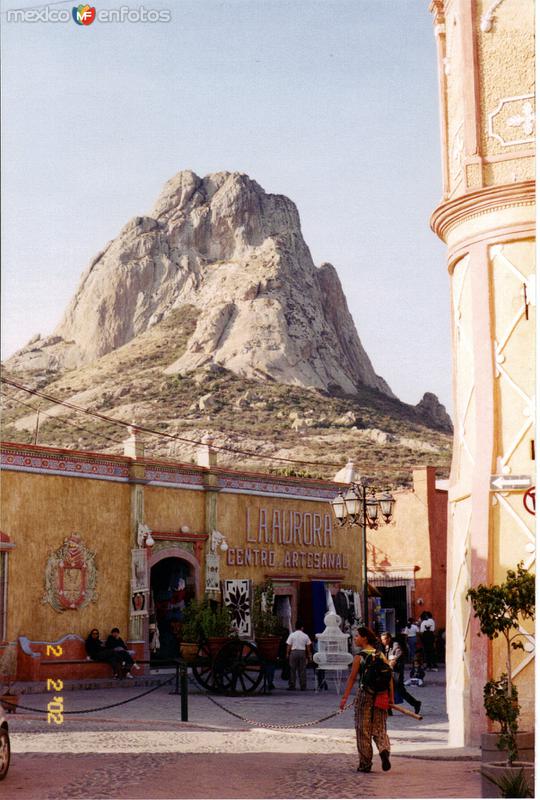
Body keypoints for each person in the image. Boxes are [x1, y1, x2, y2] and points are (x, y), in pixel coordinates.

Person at [339, 626, 393, 773]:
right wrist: (391, 699)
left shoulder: (359, 657)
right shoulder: (380, 655)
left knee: (363, 729)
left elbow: (351, 679)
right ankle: (383, 750)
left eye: (357, 636)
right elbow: (389, 678)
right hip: (381, 695)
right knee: (380, 727)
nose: (355, 638)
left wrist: (344, 699)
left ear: (365, 638)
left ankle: (365, 763)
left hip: (365, 695)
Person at [381, 632, 421, 715]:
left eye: (384, 639)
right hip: (389, 671)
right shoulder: (385, 647)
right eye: (382, 640)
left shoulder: (396, 645)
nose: (383, 641)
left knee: (400, 690)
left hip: (397, 672)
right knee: (388, 689)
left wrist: (392, 660)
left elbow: (397, 656)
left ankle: (416, 703)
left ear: (389, 639)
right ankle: (389, 709)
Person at [286, 621, 312, 691]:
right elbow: (308, 647)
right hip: (302, 652)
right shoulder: (305, 635)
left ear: (295, 627)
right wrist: (309, 655)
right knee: (302, 670)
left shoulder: (292, 635)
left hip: (293, 652)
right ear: (302, 628)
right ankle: (303, 686)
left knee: (292, 669)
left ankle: (292, 685)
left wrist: (287, 654)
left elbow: (289, 645)